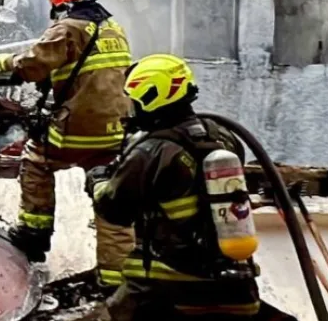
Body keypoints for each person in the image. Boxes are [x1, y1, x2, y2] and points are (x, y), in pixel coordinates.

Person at [0, 0, 134, 287]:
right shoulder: (113, 28)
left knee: (36, 160)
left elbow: (32, 64)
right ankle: (116, 278)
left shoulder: (68, 29)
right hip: (117, 130)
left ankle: (34, 234)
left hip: (78, 130)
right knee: (108, 194)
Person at [96, 54, 262, 320]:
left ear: (151, 97)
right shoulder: (224, 136)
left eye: (135, 101)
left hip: (168, 289)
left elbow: (114, 211)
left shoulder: (151, 150)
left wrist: (98, 181)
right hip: (238, 290)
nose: (131, 109)